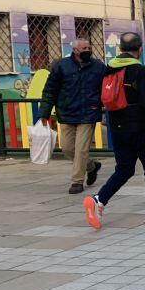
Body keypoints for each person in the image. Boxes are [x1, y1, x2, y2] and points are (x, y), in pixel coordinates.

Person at [82, 33, 145, 228]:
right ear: (139, 49)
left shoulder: (108, 69)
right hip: (140, 128)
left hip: (116, 128)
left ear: (120, 49)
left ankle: (99, 199)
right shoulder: (139, 70)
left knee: (124, 169)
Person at [39, 39, 107, 194]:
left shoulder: (98, 67)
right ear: (75, 50)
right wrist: (44, 113)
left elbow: (107, 86)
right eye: (84, 48)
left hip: (89, 112)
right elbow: (50, 91)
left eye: (90, 47)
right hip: (67, 112)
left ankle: (77, 181)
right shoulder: (61, 66)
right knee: (68, 148)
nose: (88, 50)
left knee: (81, 149)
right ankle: (92, 166)